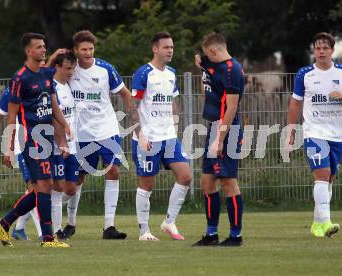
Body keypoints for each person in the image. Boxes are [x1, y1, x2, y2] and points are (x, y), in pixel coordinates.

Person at [0, 32, 72, 248]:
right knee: (45, 186)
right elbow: (11, 116)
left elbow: (53, 105)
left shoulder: (47, 74)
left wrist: (64, 125)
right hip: (32, 139)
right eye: (39, 47)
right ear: (29, 51)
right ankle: (48, 238)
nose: (43, 50)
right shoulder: (20, 78)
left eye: (45, 46)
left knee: (41, 190)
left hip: (47, 138)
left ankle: (5, 223)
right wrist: (9, 148)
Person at [287, 32, 342, 238]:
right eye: (317, 48)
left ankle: (317, 224)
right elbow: (295, 103)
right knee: (321, 174)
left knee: (329, 178)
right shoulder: (305, 74)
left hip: (337, 134)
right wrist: (291, 131)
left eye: (325, 48)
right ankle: (327, 223)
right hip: (313, 132)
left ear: (332, 50)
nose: (321, 52)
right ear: (314, 50)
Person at [69, 30, 132, 239]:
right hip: (81, 133)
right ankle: (70, 223)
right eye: (84, 49)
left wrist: (134, 119)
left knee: (113, 171)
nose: (88, 53)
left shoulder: (105, 69)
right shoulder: (69, 70)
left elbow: (125, 93)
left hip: (107, 129)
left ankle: (109, 226)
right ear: (76, 50)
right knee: (78, 178)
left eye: (91, 49)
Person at [131, 32, 192, 241]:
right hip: (148, 138)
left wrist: (175, 125)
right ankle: (144, 231)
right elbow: (132, 107)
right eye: (166, 47)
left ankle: (169, 222)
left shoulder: (172, 73)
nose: (170, 51)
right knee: (146, 184)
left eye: (172, 47)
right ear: (155, 49)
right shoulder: (144, 73)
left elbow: (174, 102)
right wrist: (141, 135)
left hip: (169, 137)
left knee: (185, 176)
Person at [193, 32, 245, 247]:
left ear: (214, 51)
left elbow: (231, 108)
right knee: (206, 182)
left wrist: (220, 139)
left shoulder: (233, 71)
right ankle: (211, 234)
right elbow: (199, 59)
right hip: (213, 127)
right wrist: (200, 59)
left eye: (207, 54)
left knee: (227, 181)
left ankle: (235, 236)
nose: (204, 57)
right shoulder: (210, 62)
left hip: (227, 130)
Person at [0, 87, 42, 241]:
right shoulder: (15, 88)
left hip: (45, 145)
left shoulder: (48, 83)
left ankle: (17, 227)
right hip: (24, 146)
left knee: (44, 190)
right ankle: (44, 234)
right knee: (36, 189)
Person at [50, 50, 82, 240]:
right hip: (56, 146)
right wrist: (61, 141)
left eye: (73, 68)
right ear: (58, 67)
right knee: (57, 187)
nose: (71, 72)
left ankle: (41, 206)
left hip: (73, 145)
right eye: (68, 68)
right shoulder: (51, 87)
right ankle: (56, 229)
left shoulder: (69, 85)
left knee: (71, 188)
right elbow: (53, 117)